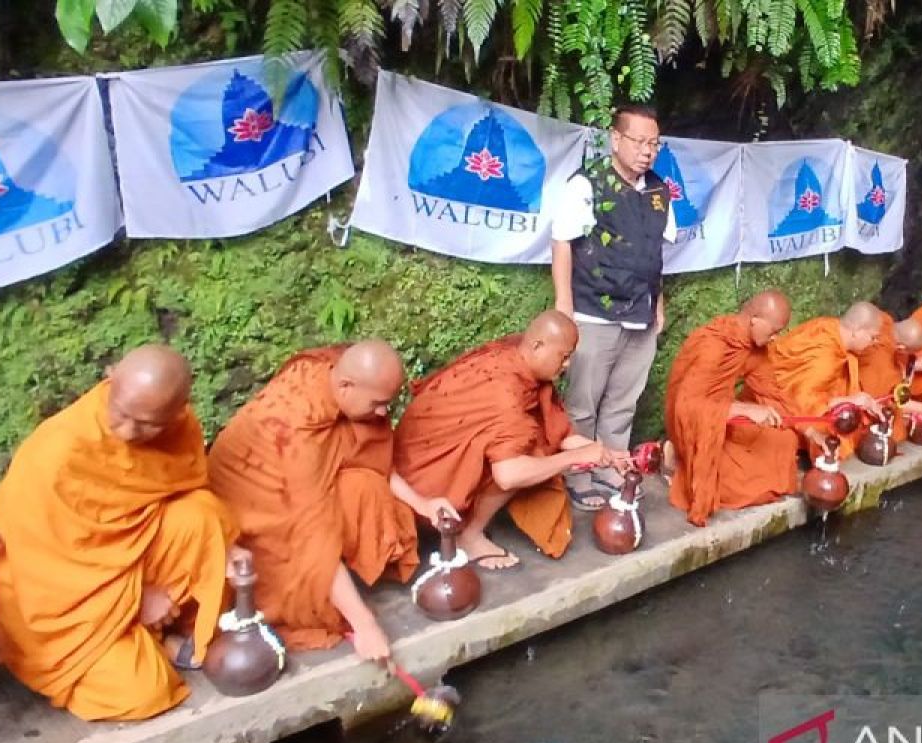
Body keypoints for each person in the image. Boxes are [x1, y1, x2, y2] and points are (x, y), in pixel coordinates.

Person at [0, 345, 240, 720]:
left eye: (149, 423)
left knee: (204, 518)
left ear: (178, 410)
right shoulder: (59, 453)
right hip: (53, 602)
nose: (129, 431)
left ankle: (154, 634)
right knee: (142, 692)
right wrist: (137, 597)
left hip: (120, 559)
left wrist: (228, 547)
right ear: (110, 376)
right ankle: (146, 637)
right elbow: (37, 565)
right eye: (121, 413)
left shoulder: (180, 428)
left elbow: (183, 492)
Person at [208, 341, 455, 663]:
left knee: (365, 484)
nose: (383, 414)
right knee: (305, 584)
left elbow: (369, 458)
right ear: (345, 385)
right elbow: (314, 532)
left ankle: (343, 581)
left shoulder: (330, 378)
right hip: (253, 508)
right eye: (378, 404)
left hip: (296, 487)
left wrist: (422, 504)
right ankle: (330, 593)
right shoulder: (295, 434)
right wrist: (364, 624)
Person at [394, 311, 624, 570]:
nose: (568, 364)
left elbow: (556, 432)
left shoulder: (513, 353)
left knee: (530, 438)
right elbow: (509, 474)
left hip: (424, 455)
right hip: (422, 484)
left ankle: (469, 530)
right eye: (565, 356)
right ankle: (468, 537)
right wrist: (574, 458)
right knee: (531, 455)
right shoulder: (505, 393)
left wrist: (606, 454)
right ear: (537, 346)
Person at [551, 104, 677, 510]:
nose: (647, 151)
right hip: (593, 311)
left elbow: (656, 253)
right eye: (639, 141)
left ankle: (611, 467)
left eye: (654, 143)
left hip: (641, 314)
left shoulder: (660, 191)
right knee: (583, 403)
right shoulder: (588, 184)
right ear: (615, 139)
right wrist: (564, 308)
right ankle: (578, 471)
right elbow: (562, 242)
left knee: (623, 401)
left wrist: (658, 304)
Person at [665, 291, 801, 526]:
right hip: (695, 428)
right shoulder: (714, 347)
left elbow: (771, 391)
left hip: (721, 421)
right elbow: (686, 406)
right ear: (754, 320)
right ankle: (672, 454)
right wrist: (743, 410)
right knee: (734, 488)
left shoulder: (753, 347)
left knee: (785, 441)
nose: (775, 339)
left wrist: (809, 431)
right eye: (773, 331)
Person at [746, 301, 886, 459]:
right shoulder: (824, 359)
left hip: (798, 393)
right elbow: (800, 401)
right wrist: (849, 401)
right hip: (775, 405)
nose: (874, 343)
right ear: (856, 332)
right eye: (872, 337)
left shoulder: (829, 326)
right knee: (836, 435)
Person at [857, 313, 922, 442]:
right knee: (897, 433)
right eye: (911, 353)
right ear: (901, 348)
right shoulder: (878, 358)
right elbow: (883, 401)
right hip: (862, 404)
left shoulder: (885, 324)